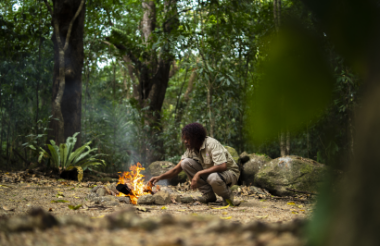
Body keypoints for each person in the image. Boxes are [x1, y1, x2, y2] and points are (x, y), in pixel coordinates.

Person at [149, 123, 240, 205]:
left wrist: (198, 174)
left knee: (213, 178)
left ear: (196, 137)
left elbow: (222, 166)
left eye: (187, 139)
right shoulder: (191, 149)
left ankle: (228, 197)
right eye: (184, 139)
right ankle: (208, 195)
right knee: (185, 163)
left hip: (230, 173)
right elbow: (176, 169)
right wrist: (159, 177)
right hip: (211, 174)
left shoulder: (211, 144)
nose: (185, 141)